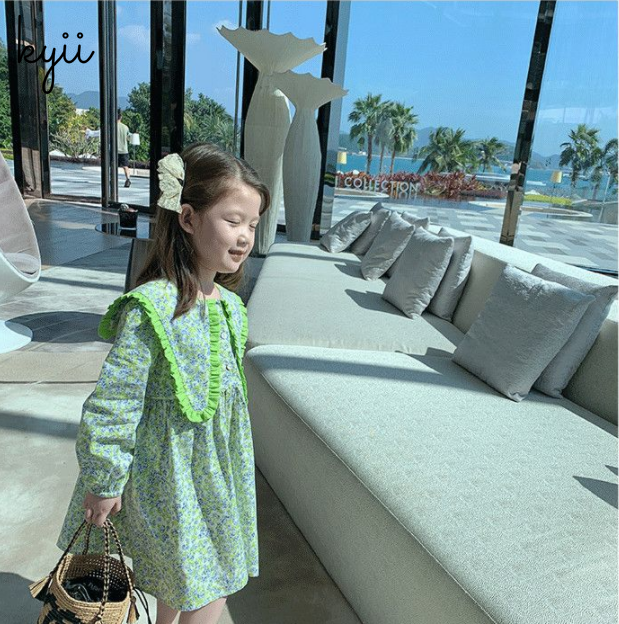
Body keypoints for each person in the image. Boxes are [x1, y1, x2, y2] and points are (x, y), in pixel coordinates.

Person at [57, 143, 270, 624]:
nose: (244, 237)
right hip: (167, 476)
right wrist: (104, 477)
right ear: (188, 218)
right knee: (210, 581)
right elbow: (116, 398)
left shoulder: (231, 308)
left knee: (187, 571)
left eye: (253, 225)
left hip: (215, 476)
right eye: (233, 221)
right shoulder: (151, 307)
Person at [117, 108, 132, 188]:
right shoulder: (125, 127)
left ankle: (113, 179)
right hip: (124, 150)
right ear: (121, 117)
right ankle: (128, 180)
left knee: (113, 166)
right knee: (125, 166)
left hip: (114, 150)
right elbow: (129, 138)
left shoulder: (111, 126)